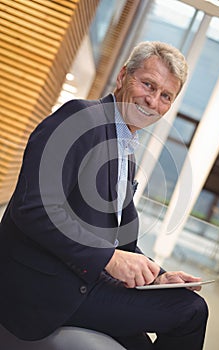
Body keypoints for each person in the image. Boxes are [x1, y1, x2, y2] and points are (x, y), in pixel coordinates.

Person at [0, 41, 208, 349]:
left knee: (162, 317)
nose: (153, 101)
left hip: (82, 278)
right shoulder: (80, 119)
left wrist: (158, 277)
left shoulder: (126, 151)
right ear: (123, 76)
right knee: (191, 311)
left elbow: (122, 241)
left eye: (166, 96)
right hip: (42, 287)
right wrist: (107, 258)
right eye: (148, 85)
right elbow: (34, 209)